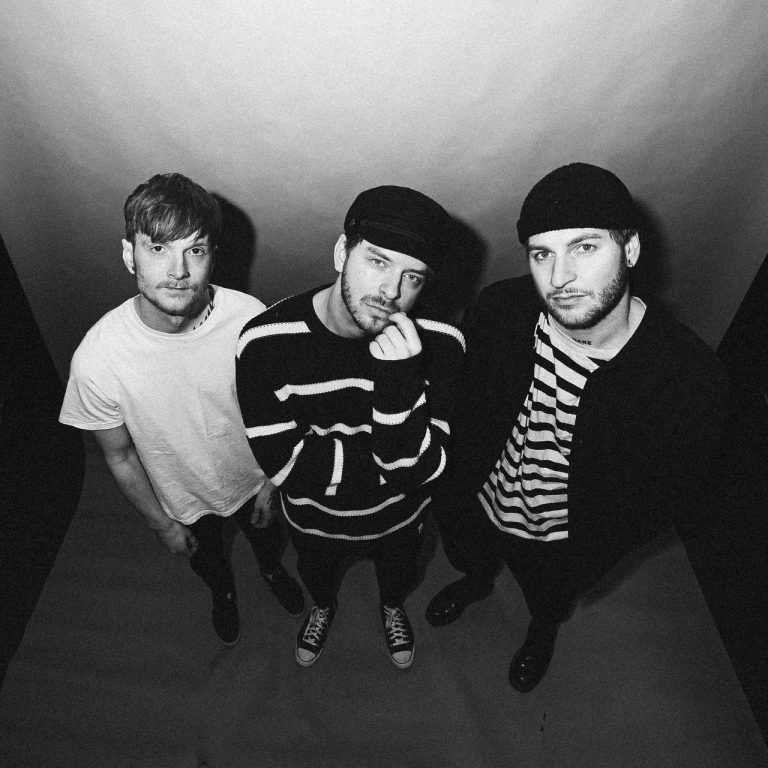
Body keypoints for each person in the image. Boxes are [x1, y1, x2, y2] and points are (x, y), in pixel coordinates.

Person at [425, 163, 728, 692]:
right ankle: (474, 582)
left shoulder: (690, 380)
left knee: (546, 596)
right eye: (542, 254)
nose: (559, 277)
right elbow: (462, 402)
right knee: (470, 554)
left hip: (563, 538)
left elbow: (671, 494)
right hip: (477, 496)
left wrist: (595, 543)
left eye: (584, 247)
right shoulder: (499, 310)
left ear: (630, 250)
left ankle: (541, 631)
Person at [59, 173, 304, 646]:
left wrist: (274, 482)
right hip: (183, 500)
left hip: (256, 480)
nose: (178, 270)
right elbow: (119, 456)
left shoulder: (249, 317)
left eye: (195, 250)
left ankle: (272, 571)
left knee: (268, 543)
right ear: (129, 254)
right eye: (158, 248)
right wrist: (162, 524)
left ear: (213, 256)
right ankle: (223, 593)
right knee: (207, 561)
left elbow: (283, 408)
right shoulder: (97, 360)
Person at [236, 186, 465, 669]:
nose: (391, 292)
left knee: (398, 580)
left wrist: (398, 384)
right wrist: (393, 461)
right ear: (343, 252)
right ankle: (322, 608)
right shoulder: (265, 343)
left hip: (401, 520)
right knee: (317, 579)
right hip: (313, 519)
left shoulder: (444, 345)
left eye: (412, 277)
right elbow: (287, 468)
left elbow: (426, 473)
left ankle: (391, 607)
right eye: (378, 262)